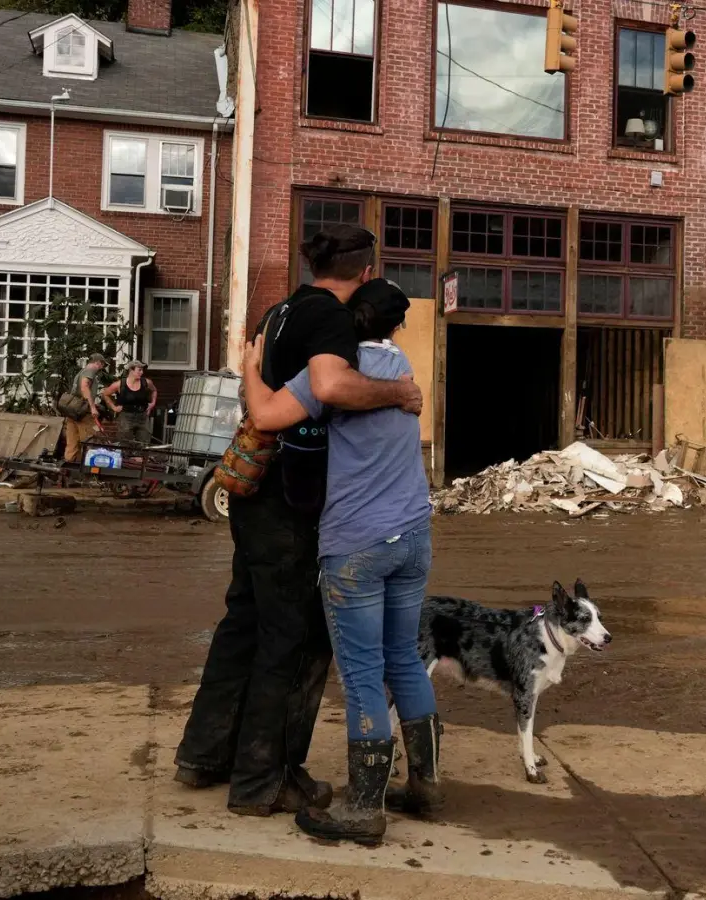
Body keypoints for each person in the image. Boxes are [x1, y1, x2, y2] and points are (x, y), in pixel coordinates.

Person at [173, 225, 424, 818]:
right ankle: (265, 780)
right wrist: (398, 393)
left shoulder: (278, 311)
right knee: (297, 638)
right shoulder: (332, 321)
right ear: (365, 273)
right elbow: (331, 384)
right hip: (293, 500)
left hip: (255, 493)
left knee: (244, 623)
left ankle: (205, 755)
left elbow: (258, 389)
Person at [242, 278, 439, 846]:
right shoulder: (402, 369)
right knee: (402, 656)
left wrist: (251, 364)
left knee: (359, 675)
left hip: (356, 543)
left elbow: (265, 416)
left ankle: (364, 807)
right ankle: (425, 785)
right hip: (413, 536)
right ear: (395, 325)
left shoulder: (329, 377)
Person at [63, 353, 107, 463]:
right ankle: (88, 468)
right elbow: (84, 387)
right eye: (102, 365)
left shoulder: (80, 372)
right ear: (98, 362)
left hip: (73, 410)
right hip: (83, 411)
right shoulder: (90, 371)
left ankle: (70, 466)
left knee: (72, 440)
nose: (102, 368)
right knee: (89, 439)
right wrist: (92, 407)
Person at [101, 361, 157, 445]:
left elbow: (154, 390)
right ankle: (127, 457)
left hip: (142, 416)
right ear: (131, 370)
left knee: (144, 442)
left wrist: (153, 403)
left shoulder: (146, 382)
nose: (142, 372)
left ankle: (140, 457)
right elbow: (105, 394)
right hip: (126, 416)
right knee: (125, 442)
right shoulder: (120, 384)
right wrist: (113, 407)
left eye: (142, 370)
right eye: (139, 370)